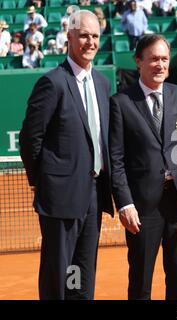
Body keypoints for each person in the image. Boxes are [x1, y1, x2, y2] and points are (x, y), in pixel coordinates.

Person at [19, 10, 113, 300]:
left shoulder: (102, 83)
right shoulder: (53, 82)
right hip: (60, 196)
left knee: (82, 271)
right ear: (69, 37)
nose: (90, 41)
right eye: (84, 35)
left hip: (94, 195)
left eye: (95, 36)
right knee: (58, 273)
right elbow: (30, 138)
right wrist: (43, 182)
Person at [109, 34, 177, 300]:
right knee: (140, 281)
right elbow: (115, 159)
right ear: (138, 61)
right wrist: (125, 203)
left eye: (164, 59)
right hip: (142, 207)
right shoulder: (120, 103)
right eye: (153, 59)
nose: (160, 65)